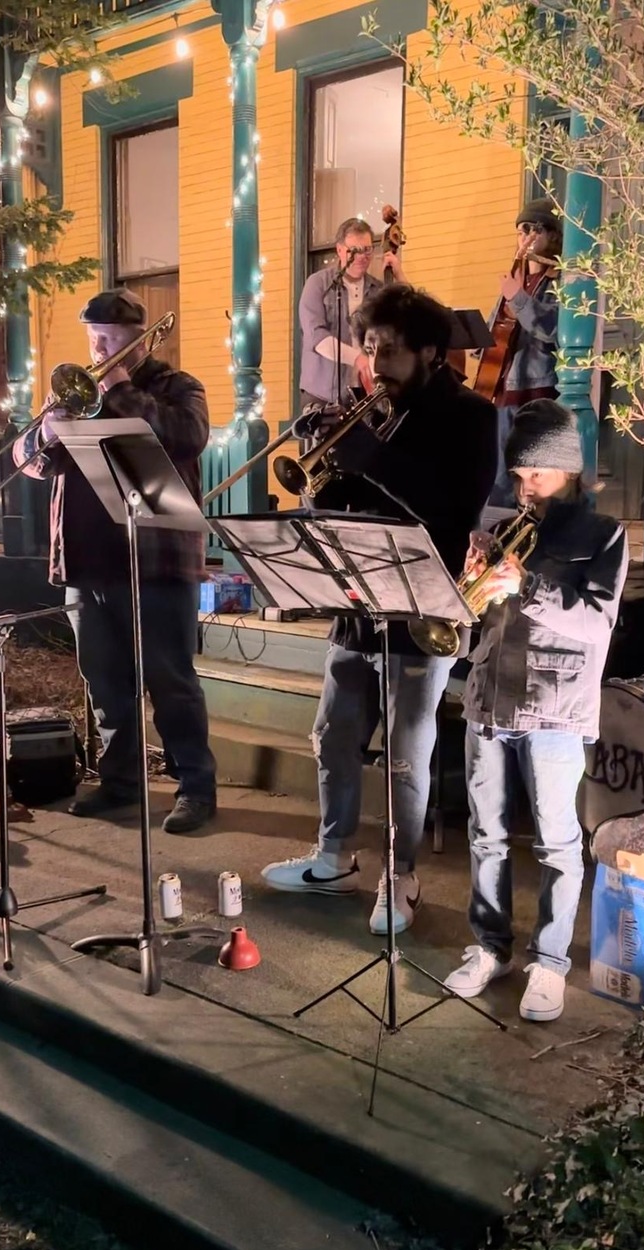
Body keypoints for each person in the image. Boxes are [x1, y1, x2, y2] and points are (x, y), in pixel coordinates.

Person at [262, 284, 498, 934]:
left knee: (404, 753)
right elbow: (345, 502)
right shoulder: (373, 413)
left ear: (430, 352)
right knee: (333, 734)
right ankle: (333, 857)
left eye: (389, 350)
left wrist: (374, 458)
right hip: (358, 601)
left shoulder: (471, 417)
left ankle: (402, 874)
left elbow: (455, 507)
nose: (375, 363)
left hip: (422, 609)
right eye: (369, 350)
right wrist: (323, 470)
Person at [443, 399, 629, 1021]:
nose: (526, 487)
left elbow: (596, 623)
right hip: (490, 698)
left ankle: (549, 962)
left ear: (568, 470)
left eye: (538, 475)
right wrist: (472, 578)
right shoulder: (503, 526)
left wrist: (526, 583)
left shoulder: (604, 535)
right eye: (520, 475)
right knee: (486, 836)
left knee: (556, 842)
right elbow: (479, 617)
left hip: (555, 706)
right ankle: (489, 947)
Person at [13, 288, 217, 833]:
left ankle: (196, 787)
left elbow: (188, 437)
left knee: (171, 682)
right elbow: (29, 462)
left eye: (107, 339)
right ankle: (121, 782)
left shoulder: (177, 387)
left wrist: (121, 390)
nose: (98, 349)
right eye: (93, 338)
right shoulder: (76, 393)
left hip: (156, 565)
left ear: (137, 340)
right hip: (87, 562)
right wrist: (44, 432)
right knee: (105, 684)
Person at [486, 197, 562, 508]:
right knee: (500, 476)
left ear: (552, 235)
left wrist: (517, 297)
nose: (526, 236)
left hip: (537, 389)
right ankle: (496, 531)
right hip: (505, 389)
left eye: (534, 229)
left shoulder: (558, 280)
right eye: (521, 230)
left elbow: (550, 329)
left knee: (533, 471)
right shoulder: (515, 277)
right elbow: (496, 330)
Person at [298, 217, 406, 409]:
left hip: (363, 395)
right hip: (322, 394)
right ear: (339, 250)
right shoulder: (318, 284)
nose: (361, 257)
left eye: (367, 250)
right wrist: (358, 357)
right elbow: (317, 337)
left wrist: (399, 275)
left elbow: (409, 319)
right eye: (354, 251)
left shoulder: (378, 291)